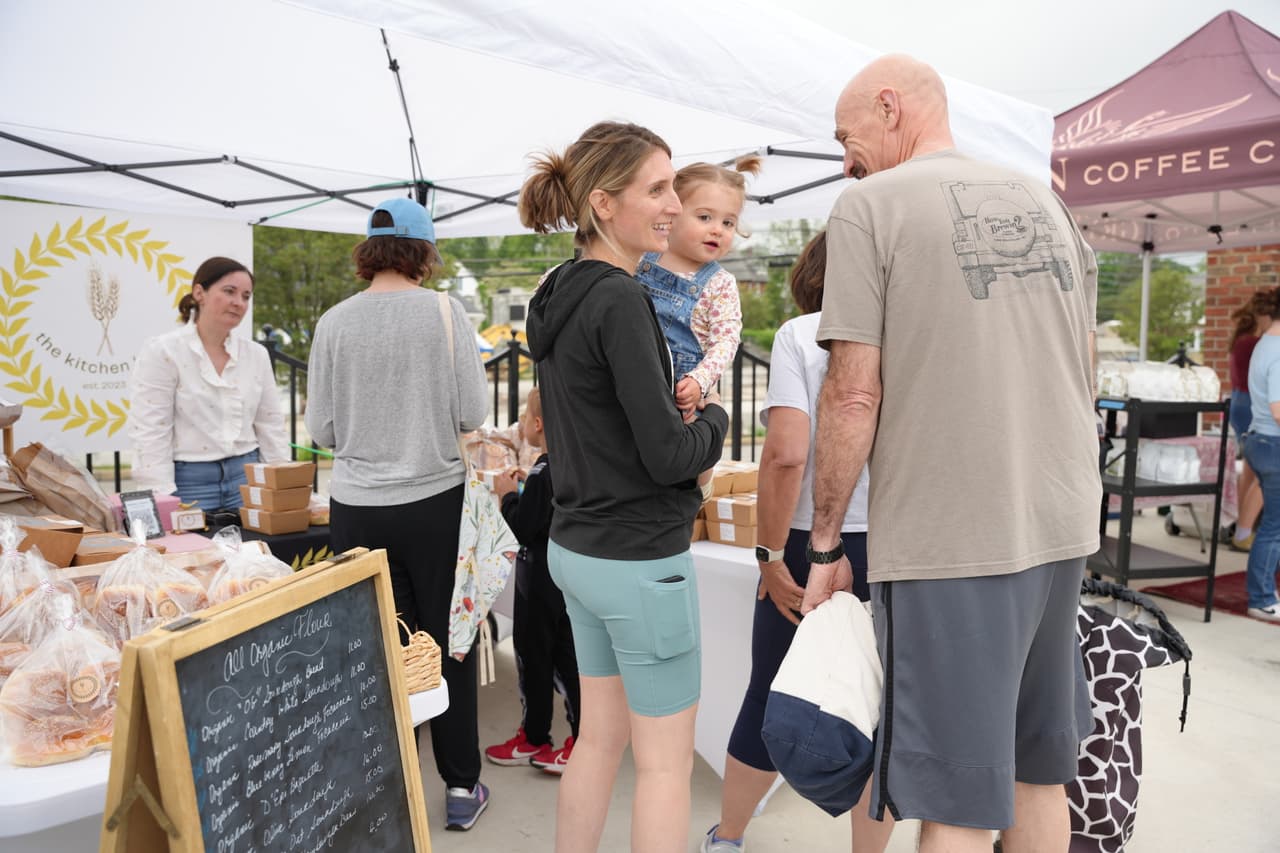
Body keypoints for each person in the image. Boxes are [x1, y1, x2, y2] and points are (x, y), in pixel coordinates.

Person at [804, 55, 1100, 853]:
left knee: (958, 794)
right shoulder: (1046, 200)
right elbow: (1084, 365)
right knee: (1037, 772)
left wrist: (825, 542)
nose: (845, 157)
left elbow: (853, 393)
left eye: (847, 134)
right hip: (1063, 520)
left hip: (954, 536)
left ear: (891, 107)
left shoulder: (868, 205)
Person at [521, 120, 729, 853]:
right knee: (665, 763)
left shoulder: (558, 293)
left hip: (578, 550)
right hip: (639, 561)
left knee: (598, 740)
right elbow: (670, 453)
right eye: (659, 187)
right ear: (605, 204)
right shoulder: (618, 299)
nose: (674, 203)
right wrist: (718, 420)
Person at [701, 232, 894, 853]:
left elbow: (785, 455)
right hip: (899, 546)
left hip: (816, 542)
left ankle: (728, 838)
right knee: (882, 703)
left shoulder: (802, 334)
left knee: (771, 690)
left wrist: (770, 553)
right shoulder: (915, 332)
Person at [304, 197, 492, 830]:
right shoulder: (445, 312)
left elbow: (322, 427)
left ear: (368, 251)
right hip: (435, 502)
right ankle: (461, 787)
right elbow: (473, 413)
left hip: (356, 504)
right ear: (423, 252)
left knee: (376, 649)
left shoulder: (333, 322)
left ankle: (388, 785)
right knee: (447, 645)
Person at [129, 256, 288, 511]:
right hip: (188, 483)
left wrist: (283, 486)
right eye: (229, 291)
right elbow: (151, 429)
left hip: (248, 477)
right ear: (199, 293)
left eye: (246, 296)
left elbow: (270, 425)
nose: (238, 302)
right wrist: (161, 496)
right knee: (192, 552)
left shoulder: (255, 354)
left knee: (255, 551)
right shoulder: (163, 351)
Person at [485, 388, 582, 774]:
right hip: (559, 581)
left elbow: (524, 527)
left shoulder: (545, 469)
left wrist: (509, 496)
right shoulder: (567, 464)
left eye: (524, 417)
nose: (521, 424)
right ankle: (540, 735)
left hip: (541, 582)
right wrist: (531, 483)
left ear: (538, 425)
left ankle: (560, 738)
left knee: (544, 659)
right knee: (553, 657)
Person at [635, 157, 756, 418]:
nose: (717, 230)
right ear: (672, 213)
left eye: (728, 223)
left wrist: (700, 381)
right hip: (631, 380)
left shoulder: (719, 283)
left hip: (679, 397)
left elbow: (725, 341)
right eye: (704, 217)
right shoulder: (640, 259)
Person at [1241, 286, 1280, 623]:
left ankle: (1264, 593)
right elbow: (1278, 409)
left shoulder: (1264, 343)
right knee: (1274, 527)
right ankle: (1262, 598)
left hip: (1260, 439)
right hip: (1273, 441)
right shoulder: (1279, 350)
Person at [1227, 291, 1270, 551]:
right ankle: (1244, 529)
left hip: (1239, 404)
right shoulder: (1257, 343)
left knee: (1250, 470)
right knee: (1264, 471)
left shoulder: (1241, 340)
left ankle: (1244, 526)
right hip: (1252, 406)